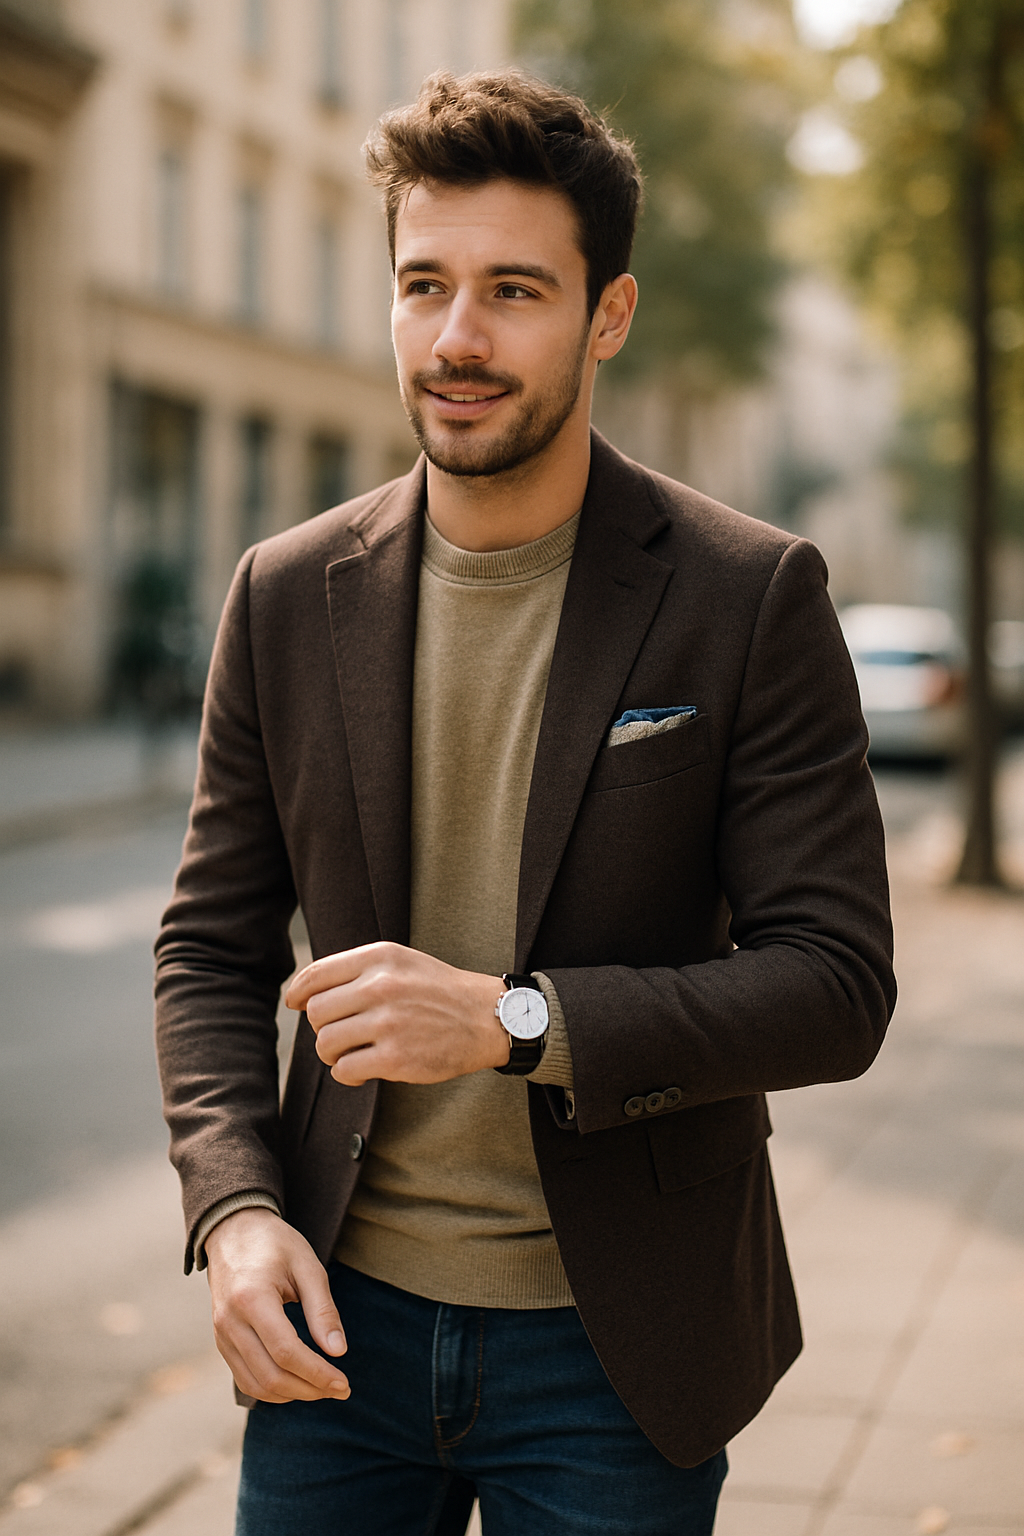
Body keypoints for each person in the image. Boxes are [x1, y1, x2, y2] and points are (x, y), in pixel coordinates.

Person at [155, 69, 896, 1536]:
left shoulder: (747, 597)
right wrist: (235, 1211)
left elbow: (836, 984)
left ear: (606, 313)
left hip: (616, 1354)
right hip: (335, 1341)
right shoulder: (286, 593)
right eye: (422, 285)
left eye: (512, 290)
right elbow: (210, 949)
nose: (457, 339)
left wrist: (513, 1020)